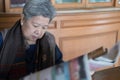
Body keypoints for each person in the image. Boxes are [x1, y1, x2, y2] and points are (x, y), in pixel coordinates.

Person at [0, 0, 63, 79]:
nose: (39, 32)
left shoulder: (49, 40)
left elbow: (59, 64)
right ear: (23, 19)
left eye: (44, 27)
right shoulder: (3, 38)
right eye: (35, 25)